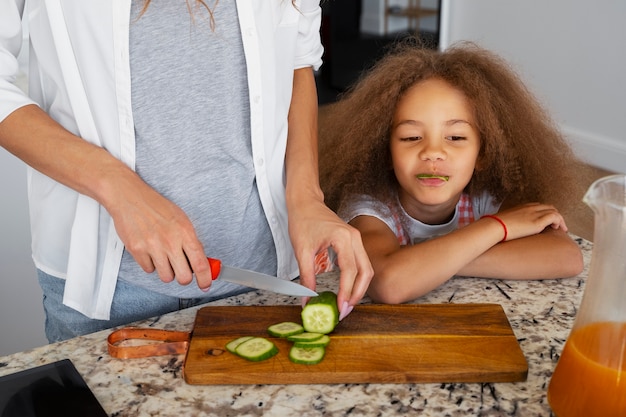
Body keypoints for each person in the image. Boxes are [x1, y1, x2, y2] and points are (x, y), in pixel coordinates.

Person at [0, 0, 372, 342]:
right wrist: (117, 187)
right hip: (110, 294)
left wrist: (306, 196)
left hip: (267, 276)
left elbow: (296, 55)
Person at [319, 40, 586, 304]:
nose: (433, 152)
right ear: (384, 152)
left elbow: (567, 256)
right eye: (411, 137)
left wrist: (434, 263)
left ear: (483, 154)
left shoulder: (486, 195)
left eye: (456, 137)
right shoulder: (370, 207)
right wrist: (496, 228)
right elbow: (390, 284)